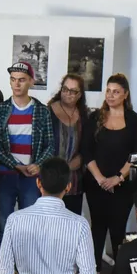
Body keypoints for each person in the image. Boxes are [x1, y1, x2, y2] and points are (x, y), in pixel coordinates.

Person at [82, 73, 137, 274]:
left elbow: (136, 155)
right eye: (108, 91)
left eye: (116, 92)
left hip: (124, 185)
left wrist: (118, 178)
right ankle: (95, 273)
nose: (110, 95)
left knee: (118, 229)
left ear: (125, 94)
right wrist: (101, 179)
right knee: (97, 227)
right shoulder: (95, 118)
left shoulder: (134, 120)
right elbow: (86, 151)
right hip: (96, 183)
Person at [0, 61, 55, 255]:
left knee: (30, 227)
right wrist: (16, 165)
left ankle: (27, 268)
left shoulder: (42, 111)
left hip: (32, 177)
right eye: (13, 79)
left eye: (22, 80)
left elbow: (50, 145)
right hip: (6, 175)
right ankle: (3, 268)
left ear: (31, 82)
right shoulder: (0, 110)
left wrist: (38, 164)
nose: (17, 84)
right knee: (4, 225)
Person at [48, 73, 89, 215]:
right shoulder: (48, 112)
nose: (67, 94)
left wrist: (79, 160)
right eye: (65, 89)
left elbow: (86, 146)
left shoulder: (84, 115)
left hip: (74, 180)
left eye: (73, 91)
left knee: (72, 220)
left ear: (80, 95)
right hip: (51, 178)